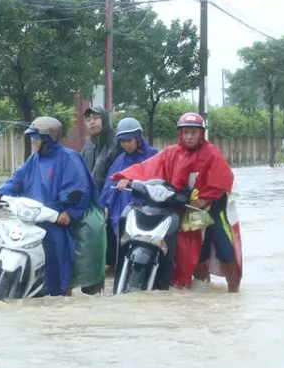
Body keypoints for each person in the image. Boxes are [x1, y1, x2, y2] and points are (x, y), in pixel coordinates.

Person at [112, 112, 241, 293]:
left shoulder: (212, 154)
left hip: (212, 208)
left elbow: (223, 179)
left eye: (193, 133)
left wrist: (203, 200)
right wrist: (127, 177)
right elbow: (148, 167)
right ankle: (199, 292)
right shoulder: (172, 153)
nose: (189, 137)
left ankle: (234, 294)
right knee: (192, 255)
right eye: (185, 132)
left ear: (201, 134)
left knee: (224, 247)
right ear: (180, 133)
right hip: (183, 208)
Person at [0, 116, 93, 297]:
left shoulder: (69, 158)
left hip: (55, 221)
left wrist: (69, 212)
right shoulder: (34, 159)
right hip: (30, 219)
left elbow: (80, 188)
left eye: (35, 137)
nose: (33, 141)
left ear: (47, 138)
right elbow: (17, 179)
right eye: (32, 138)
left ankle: (56, 293)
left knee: (55, 253)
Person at [99, 117, 157, 272]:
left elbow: (158, 180)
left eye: (129, 140)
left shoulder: (153, 156)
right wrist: (105, 205)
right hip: (122, 211)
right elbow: (109, 185)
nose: (126, 145)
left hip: (146, 210)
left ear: (138, 138)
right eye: (122, 141)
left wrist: (132, 181)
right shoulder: (120, 160)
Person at [80, 106, 119, 194]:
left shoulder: (116, 141)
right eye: (88, 120)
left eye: (96, 118)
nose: (92, 122)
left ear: (104, 119)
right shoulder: (89, 144)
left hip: (111, 194)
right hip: (91, 196)